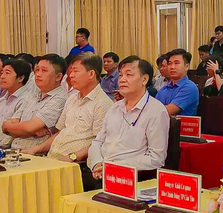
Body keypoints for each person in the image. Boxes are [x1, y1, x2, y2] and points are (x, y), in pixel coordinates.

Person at [86, 56, 171, 190]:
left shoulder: (156, 111)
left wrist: (114, 167)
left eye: (129, 75)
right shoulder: (114, 108)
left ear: (144, 79)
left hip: (130, 179)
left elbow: (156, 158)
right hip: (99, 173)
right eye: (120, 75)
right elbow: (97, 142)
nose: (122, 80)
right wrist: (96, 163)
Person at [25, 54, 112, 161]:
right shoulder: (72, 99)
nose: (71, 75)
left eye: (75, 71)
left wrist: (72, 157)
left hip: (76, 163)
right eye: (71, 71)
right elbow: (59, 132)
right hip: (52, 157)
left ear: (91, 74)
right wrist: (35, 149)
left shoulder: (102, 104)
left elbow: (99, 143)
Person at [0, 59, 33, 146]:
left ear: (20, 78)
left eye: (7, 73)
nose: (2, 77)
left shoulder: (25, 100)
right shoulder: (2, 100)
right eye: (2, 72)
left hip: (2, 148)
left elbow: (13, 135)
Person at [154, 49, 200, 118]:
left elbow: (168, 111)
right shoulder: (164, 88)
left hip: (180, 124)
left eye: (176, 63)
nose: (172, 67)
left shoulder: (190, 87)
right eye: (169, 63)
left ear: (187, 67)